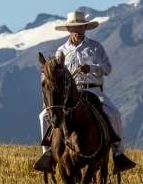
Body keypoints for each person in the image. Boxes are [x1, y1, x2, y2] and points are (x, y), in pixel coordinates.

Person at [33, 10, 135, 173]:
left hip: (93, 91)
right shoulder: (61, 51)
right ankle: (48, 154)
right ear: (69, 30)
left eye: (81, 27)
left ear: (85, 28)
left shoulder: (95, 47)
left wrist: (91, 69)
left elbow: (107, 69)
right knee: (44, 115)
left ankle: (118, 154)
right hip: (70, 95)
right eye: (75, 28)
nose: (78, 31)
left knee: (114, 114)